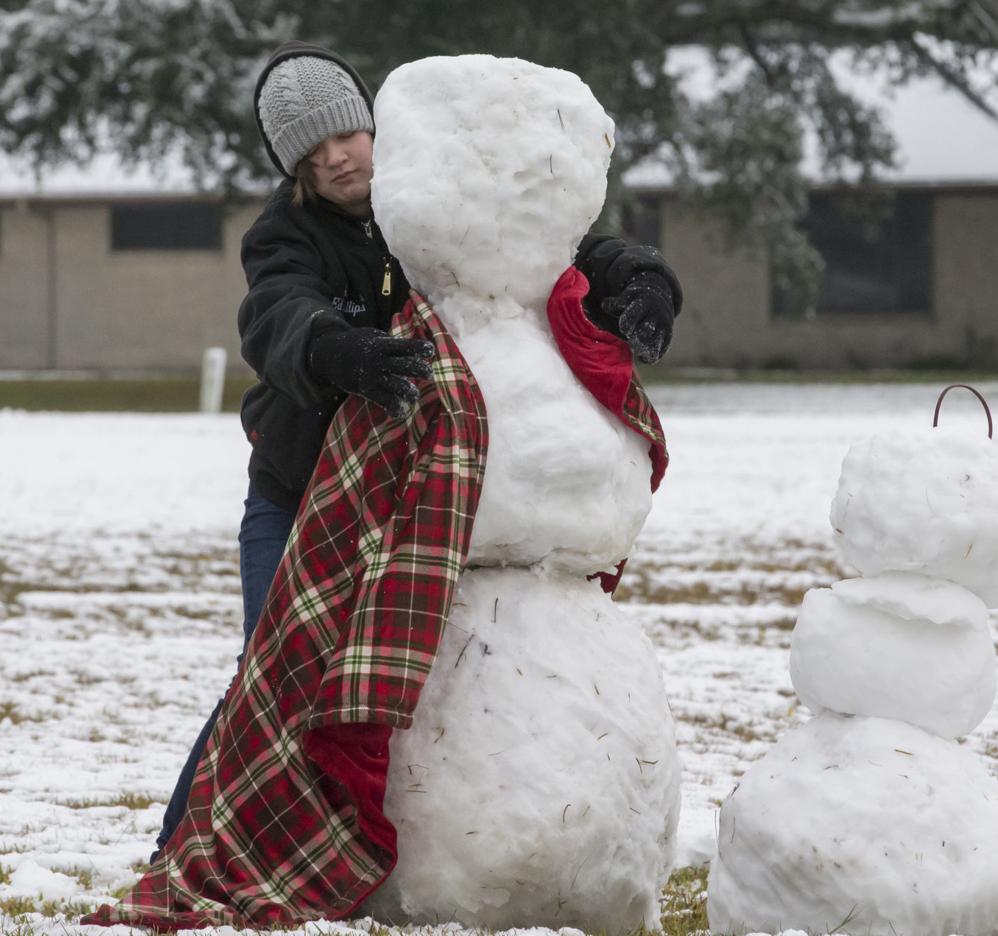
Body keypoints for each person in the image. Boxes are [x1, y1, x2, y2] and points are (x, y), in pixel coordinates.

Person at [150, 40, 684, 861]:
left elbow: (563, 247)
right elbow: (275, 314)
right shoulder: (287, 236)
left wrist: (641, 284)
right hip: (301, 492)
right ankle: (184, 847)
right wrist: (336, 350)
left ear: (374, 125)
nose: (335, 158)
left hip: (418, 496)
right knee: (274, 670)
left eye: (345, 134)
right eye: (310, 150)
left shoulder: (439, 194)